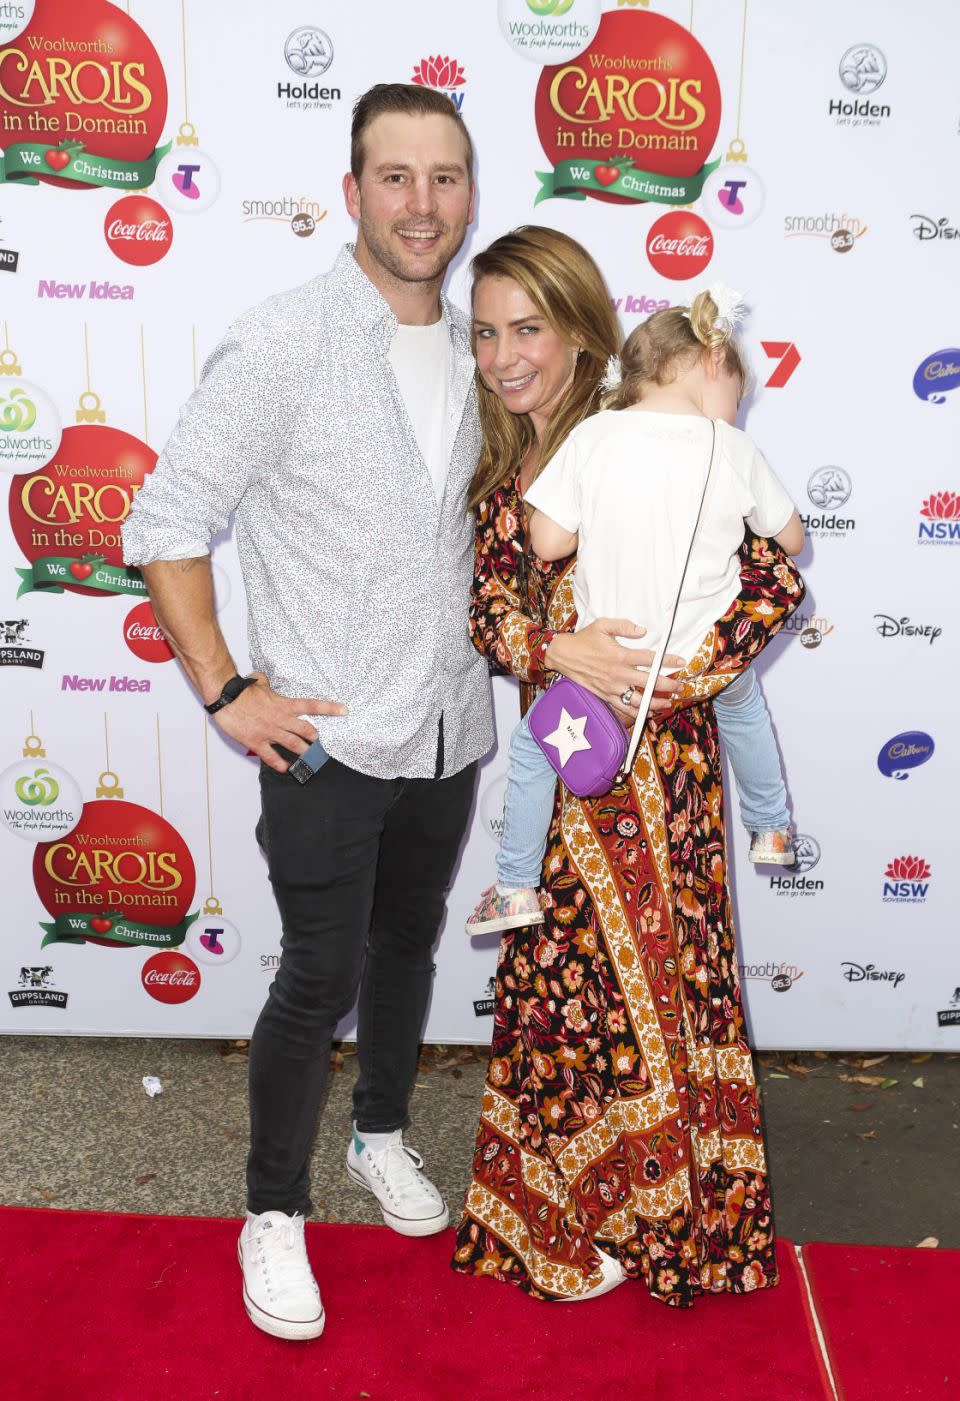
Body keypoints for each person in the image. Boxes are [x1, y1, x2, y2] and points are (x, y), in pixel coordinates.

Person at [121, 84, 492, 1342]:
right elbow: (162, 523)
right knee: (315, 978)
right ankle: (269, 1212)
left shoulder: (491, 345)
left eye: (445, 178)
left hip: (450, 727)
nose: (423, 204)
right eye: (397, 177)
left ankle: (380, 1136)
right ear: (351, 194)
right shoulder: (285, 338)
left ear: (469, 194)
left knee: (406, 949)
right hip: (327, 734)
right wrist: (228, 688)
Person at [451, 226, 805, 1305]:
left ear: (583, 334)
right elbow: (492, 611)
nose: (506, 356)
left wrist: (692, 671)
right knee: (562, 994)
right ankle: (571, 1217)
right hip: (564, 770)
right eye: (485, 335)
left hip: (674, 777)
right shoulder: (511, 463)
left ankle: (670, 1228)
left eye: (529, 330)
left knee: (663, 987)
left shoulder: (656, 434)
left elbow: (775, 582)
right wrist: (556, 649)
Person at [466, 285, 803, 937]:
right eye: (739, 391)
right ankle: (771, 825)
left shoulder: (593, 436)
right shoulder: (729, 450)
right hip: (699, 663)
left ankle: (513, 884)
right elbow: (791, 541)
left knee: (537, 746)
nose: (737, 408)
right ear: (712, 366)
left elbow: (547, 542)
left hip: (606, 668)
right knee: (744, 706)